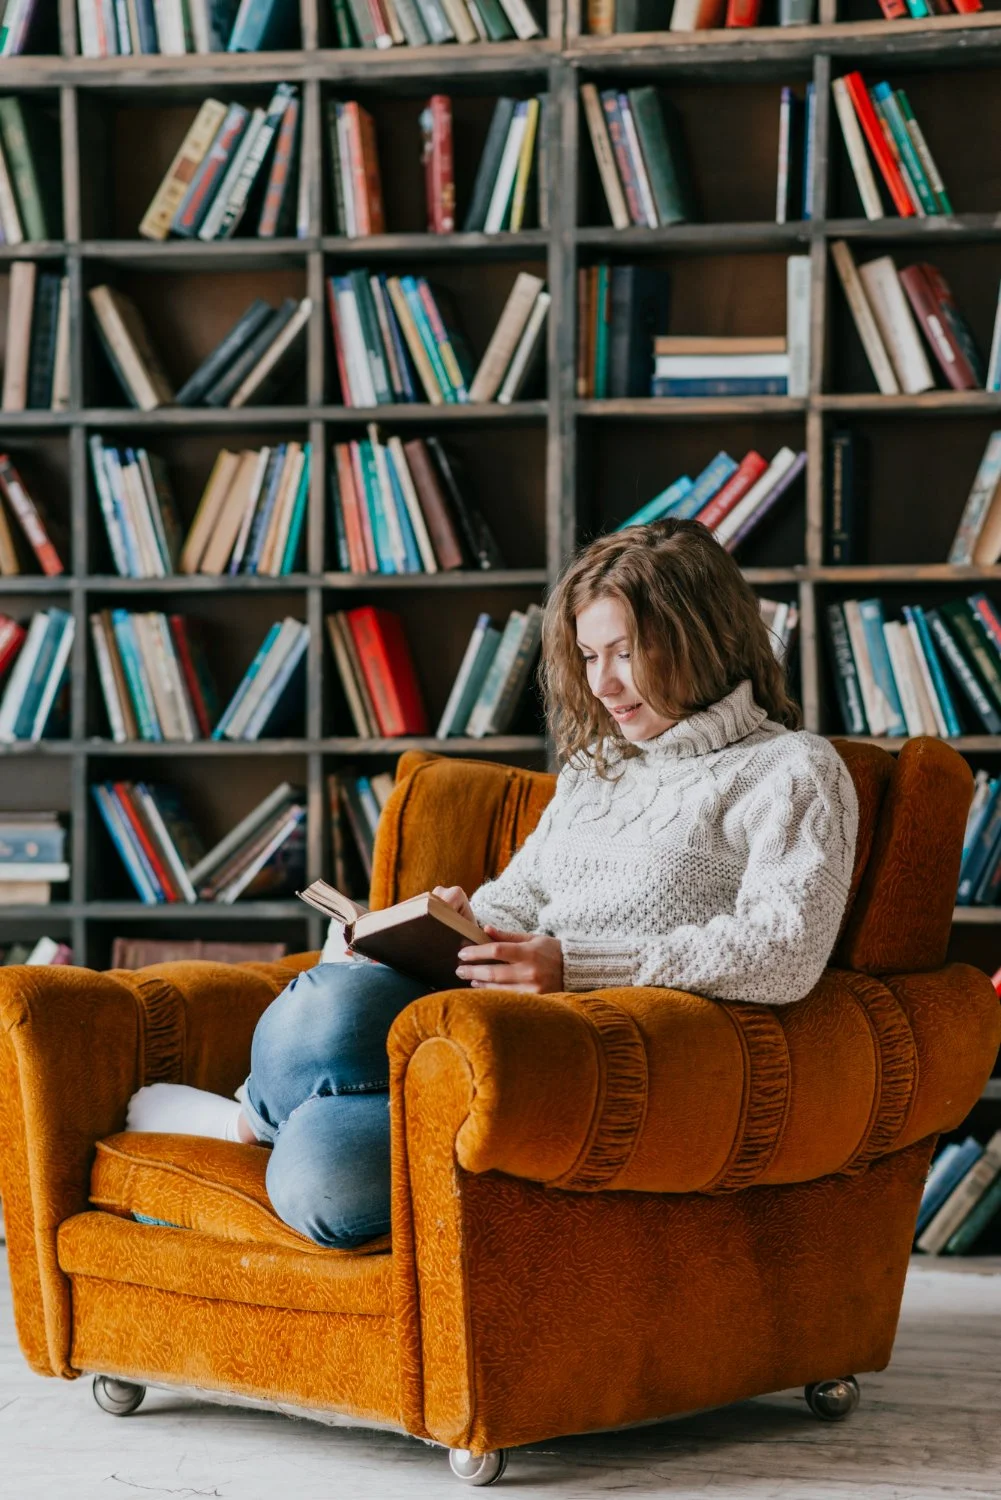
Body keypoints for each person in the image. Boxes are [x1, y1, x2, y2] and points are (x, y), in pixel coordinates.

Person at [127, 517, 859, 1248]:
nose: (601, 683)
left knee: (328, 1188)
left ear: (700, 636)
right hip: (481, 1016)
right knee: (327, 1003)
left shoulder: (791, 769)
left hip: (595, 1053)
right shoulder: (597, 770)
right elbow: (521, 898)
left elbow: (784, 949)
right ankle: (258, 1122)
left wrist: (572, 965)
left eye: (625, 653)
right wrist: (454, 919)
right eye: (588, 655)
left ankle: (241, 1125)